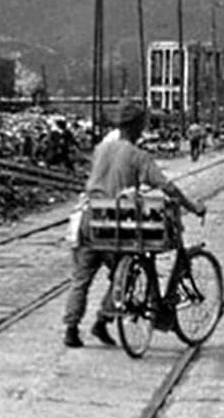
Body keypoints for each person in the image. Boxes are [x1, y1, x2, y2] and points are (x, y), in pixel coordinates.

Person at [64, 100, 206, 348]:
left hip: (88, 217)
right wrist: (192, 206)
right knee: (125, 274)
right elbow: (167, 187)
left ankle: (71, 329)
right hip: (114, 222)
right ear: (138, 126)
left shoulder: (101, 149)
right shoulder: (139, 156)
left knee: (81, 278)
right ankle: (103, 320)